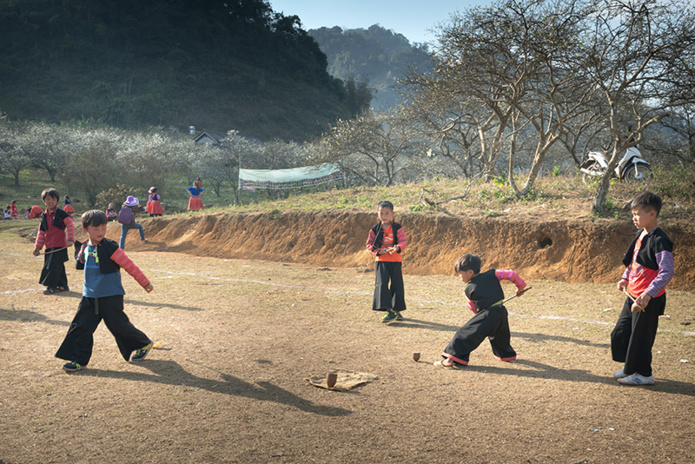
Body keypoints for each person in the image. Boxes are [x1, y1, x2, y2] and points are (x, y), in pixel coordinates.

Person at [55, 210, 154, 372]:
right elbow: (80, 263)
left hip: (111, 295)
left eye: (103, 228)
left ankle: (143, 344)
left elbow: (129, 264)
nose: (101, 232)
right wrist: (79, 250)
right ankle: (78, 359)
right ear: (86, 228)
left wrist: (145, 283)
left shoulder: (110, 247)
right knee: (80, 326)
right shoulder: (85, 247)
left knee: (119, 326)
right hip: (90, 296)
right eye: (96, 228)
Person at [611, 191, 674, 386]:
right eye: (633, 214)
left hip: (647, 300)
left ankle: (644, 374)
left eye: (637, 214)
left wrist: (648, 294)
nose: (634, 218)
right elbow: (633, 262)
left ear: (652, 214)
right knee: (621, 332)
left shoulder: (660, 240)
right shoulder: (641, 234)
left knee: (641, 338)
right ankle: (630, 367)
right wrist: (625, 278)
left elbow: (666, 272)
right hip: (633, 294)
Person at [435, 254, 526, 368]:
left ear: (470, 273)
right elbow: (511, 274)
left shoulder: (469, 289)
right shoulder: (493, 274)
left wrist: (480, 317)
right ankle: (506, 355)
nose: (459, 276)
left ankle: (450, 359)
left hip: (488, 314)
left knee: (464, 333)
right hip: (501, 311)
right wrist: (520, 288)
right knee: (500, 335)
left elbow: (473, 309)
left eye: (460, 273)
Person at [365, 200, 408, 324]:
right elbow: (369, 244)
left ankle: (397, 311)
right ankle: (388, 311)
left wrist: (397, 248)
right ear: (377, 214)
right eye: (381, 213)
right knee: (382, 285)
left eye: (386, 213)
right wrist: (378, 251)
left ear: (392, 213)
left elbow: (403, 241)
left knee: (397, 285)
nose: (384, 216)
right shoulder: (375, 229)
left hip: (395, 260)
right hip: (381, 261)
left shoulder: (397, 227)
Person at [32, 188, 75, 295]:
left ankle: (51, 286)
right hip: (49, 245)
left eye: (53, 199)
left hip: (60, 245)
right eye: (48, 199)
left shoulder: (61, 213)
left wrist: (70, 239)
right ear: (44, 201)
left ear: (57, 200)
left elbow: (70, 225)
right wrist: (38, 247)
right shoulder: (44, 215)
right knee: (58, 265)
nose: (50, 201)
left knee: (52, 266)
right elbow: (41, 232)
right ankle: (63, 285)